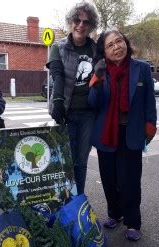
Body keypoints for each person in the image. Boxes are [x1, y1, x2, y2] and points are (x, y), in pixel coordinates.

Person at [88, 30, 157, 241]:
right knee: (109, 179)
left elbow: (149, 102)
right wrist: (97, 80)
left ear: (126, 43)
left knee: (130, 181)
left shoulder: (142, 69)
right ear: (104, 52)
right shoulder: (100, 71)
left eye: (119, 41)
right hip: (106, 134)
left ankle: (133, 221)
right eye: (110, 45)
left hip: (132, 132)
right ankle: (114, 214)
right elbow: (93, 103)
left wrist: (150, 127)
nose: (116, 47)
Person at [47, 1, 99, 195]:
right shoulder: (58, 47)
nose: (81, 25)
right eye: (77, 20)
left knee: (81, 161)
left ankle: (78, 200)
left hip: (88, 114)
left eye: (86, 22)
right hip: (66, 113)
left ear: (91, 25)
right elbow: (57, 76)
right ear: (71, 21)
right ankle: (63, 199)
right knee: (64, 159)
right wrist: (58, 103)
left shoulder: (95, 49)